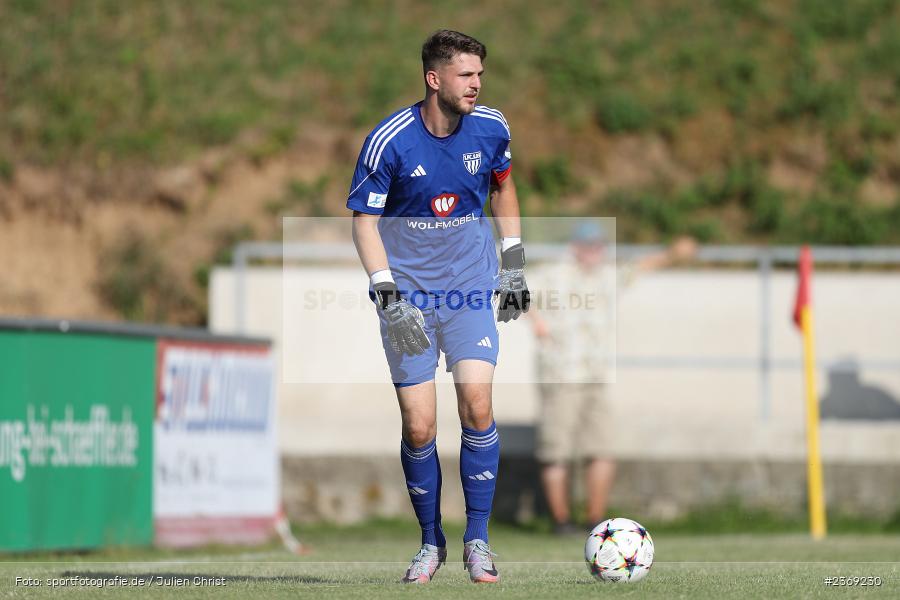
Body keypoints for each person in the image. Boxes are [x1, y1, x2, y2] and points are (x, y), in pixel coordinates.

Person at [347, 30, 529, 584]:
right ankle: (432, 543)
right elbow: (364, 222)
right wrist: (388, 296)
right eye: (466, 75)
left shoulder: (492, 127)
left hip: (470, 285)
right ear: (434, 78)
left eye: (480, 75)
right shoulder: (390, 141)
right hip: (408, 297)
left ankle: (479, 539)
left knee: (476, 404)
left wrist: (514, 263)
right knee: (420, 426)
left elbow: (503, 188)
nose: (476, 84)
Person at [530, 222, 696, 534]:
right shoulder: (552, 274)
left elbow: (640, 267)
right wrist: (536, 321)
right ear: (575, 247)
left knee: (603, 449)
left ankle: (595, 521)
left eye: (599, 245)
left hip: (597, 375)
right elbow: (513, 291)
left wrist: (673, 254)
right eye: (589, 245)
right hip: (559, 375)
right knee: (556, 451)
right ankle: (561, 522)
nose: (595, 251)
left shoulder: (607, 276)